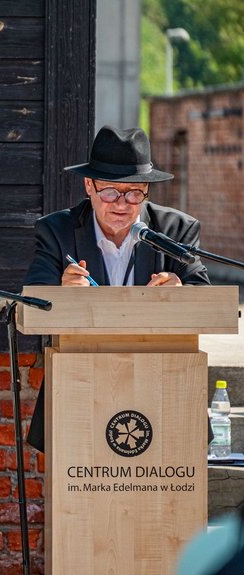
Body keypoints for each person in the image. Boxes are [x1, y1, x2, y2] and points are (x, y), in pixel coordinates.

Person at [24, 125, 210, 451]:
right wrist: (62, 290)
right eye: (110, 191)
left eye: (134, 192)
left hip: (164, 385)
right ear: (89, 186)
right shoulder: (56, 231)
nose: (122, 204)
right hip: (80, 385)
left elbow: (204, 297)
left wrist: (180, 290)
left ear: (147, 190)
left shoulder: (175, 230)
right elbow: (32, 302)